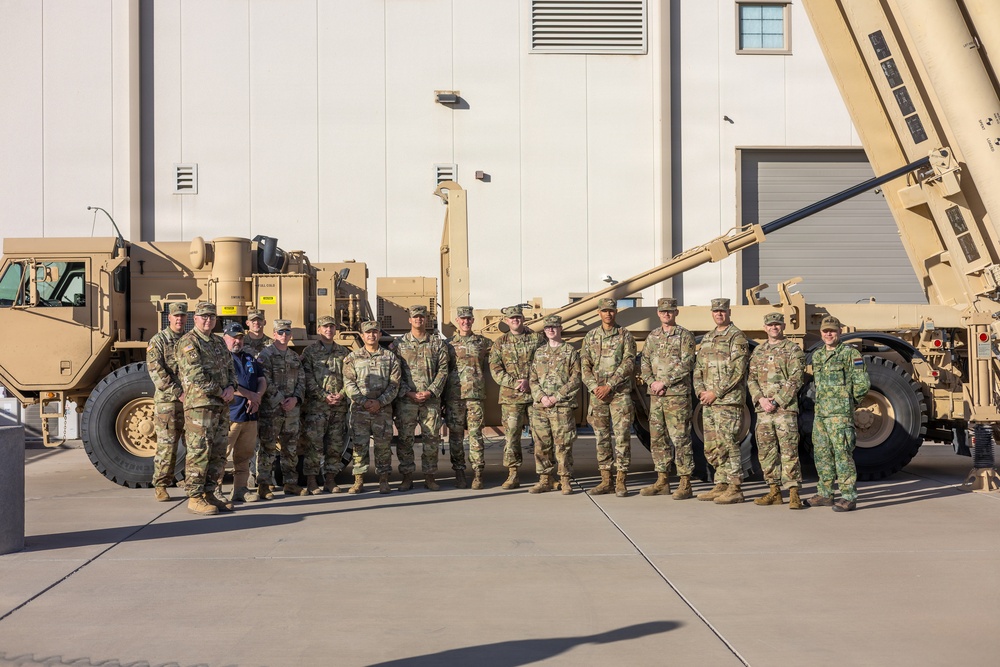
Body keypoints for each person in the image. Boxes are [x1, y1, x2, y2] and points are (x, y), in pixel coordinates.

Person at [175, 302, 237, 515]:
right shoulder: (188, 342)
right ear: (195, 318)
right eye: (204, 316)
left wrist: (231, 388)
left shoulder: (219, 343)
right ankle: (194, 497)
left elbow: (231, 370)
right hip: (200, 406)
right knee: (199, 450)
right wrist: (221, 391)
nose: (208, 320)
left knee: (219, 451)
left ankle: (210, 492)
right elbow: (195, 375)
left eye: (211, 316)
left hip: (221, 406)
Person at [809, 315, 870, 512]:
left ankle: (848, 496)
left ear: (839, 332)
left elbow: (862, 384)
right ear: (821, 333)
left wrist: (847, 403)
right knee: (822, 454)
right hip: (821, 414)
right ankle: (825, 493)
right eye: (825, 331)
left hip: (840, 415)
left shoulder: (850, 355)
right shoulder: (818, 355)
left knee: (843, 455)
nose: (829, 334)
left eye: (832, 331)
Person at [693, 298, 750, 505]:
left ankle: (735, 487)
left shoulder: (737, 337)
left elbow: (738, 370)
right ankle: (721, 483)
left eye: (723, 311)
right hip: (708, 402)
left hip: (728, 401)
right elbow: (698, 368)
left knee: (729, 442)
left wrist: (715, 392)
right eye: (716, 311)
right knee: (712, 445)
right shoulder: (708, 338)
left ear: (728, 312)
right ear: (712, 313)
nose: (719, 314)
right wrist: (700, 390)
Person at [639, 297, 696, 499]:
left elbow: (687, 363)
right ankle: (662, 480)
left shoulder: (684, 336)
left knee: (680, 439)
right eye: (663, 311)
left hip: (676, 396)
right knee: (658, 438)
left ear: (676, 313)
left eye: (670, 311)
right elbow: (644, 362)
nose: (666, 314)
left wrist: (665, 382)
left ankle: (685, 483)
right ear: (658, 313)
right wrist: (652, 382)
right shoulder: (653, 336)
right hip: (656, 397)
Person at [747, 312, 806, 509]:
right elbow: (751, 379)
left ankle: (793, 492)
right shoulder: (758, 352)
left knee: (789, 451)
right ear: (765, 328)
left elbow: (796, 377)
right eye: (770, 325)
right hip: (764, 411)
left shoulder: (792, 350)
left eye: (777, 324)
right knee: (767, 452)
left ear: (783, 327)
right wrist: (761, 400)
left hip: (785, 410)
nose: (774, 328)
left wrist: (778, 400)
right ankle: (774, 490)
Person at [581, 297, 637, 498]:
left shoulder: (625, 336)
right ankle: (606, 480)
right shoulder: (591, 337)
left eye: (611, 310)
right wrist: (596, 387)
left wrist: (610, 385)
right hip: (598, 395)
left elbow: (629, 362)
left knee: (622, 437)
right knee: (602, 438)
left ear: (615, 312)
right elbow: (584, 366)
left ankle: (621, 480)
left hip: (619, 394)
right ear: (599, 312)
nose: (608, 314)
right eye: (604, 311)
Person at [390, 304, 449, 491]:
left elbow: (443, 371)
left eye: (422, 317)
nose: (418, 320)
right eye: (415, 317)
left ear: (426, 320)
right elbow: (394, 372)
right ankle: (407, 477)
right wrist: (409, 392)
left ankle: (429, 477)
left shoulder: (437, 344)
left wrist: (430, 391)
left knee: (431, 439)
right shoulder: (398, 345)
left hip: (430, 400)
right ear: (409, 320)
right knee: (405, 440)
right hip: (406, 400)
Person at [488, 305, 544, 490]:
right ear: (506, 321)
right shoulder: (500, 342)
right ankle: (513, 474)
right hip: (511, 397)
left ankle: (545, 475)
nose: (515, 320)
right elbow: (495, 369)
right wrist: (516, 383)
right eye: (512, 318)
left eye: (518, 317)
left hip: (535, 395)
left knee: (542, 436)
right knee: (512, 437)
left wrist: (530, 382)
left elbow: (545, 363)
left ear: (523, 318)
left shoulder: (536, 339)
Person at [343, 320, 401, 494]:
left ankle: (383, 480)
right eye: (368, 332)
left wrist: (380, 402)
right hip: (360, 411)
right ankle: (359, 480)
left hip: (382, 411)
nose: (371, 335)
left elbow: (395, 384)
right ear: (362, 336)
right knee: (360, 446)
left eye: (375, 332)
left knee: (383, 447)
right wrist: (364, 401)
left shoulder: (390, 357)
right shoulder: (353, 357)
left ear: (380, 334)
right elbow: (348, 383)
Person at [527, 315, 581, 495]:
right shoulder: (540, 352)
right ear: (544, 331)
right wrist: (542, 397)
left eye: (554, 327)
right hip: (541, 407)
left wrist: (556, 397)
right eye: (548, 327)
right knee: (541, 444)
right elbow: (532, 379)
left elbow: (575, 379)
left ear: (560, 329)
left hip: (561, 406)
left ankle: (565, 479)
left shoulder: (570, 351)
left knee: (563, 444)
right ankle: (545, 479)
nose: (551, 330)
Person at [300, 315, 351, 494]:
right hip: (317, 406)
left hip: (338, 406)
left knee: (335, 444)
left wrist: (342, 394)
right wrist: (323, 396)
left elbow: (350, 378)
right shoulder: (310, 352)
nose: (328, 330)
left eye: (331, 326)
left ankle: (330, 479)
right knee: (314, 444)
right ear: (319, 330)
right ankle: (312, 481)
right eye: (325, 327)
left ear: (335, 329)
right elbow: (307, 377)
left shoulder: (344, 352)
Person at [256, 319, 306, 498]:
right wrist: (280, 400)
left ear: (290, 335)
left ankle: (290, 483)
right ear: (274, 334)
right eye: (280, 332)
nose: (284, 335)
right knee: (268, 447)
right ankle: (264, 484)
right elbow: (263, 380)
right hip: (272, 409)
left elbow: (302, 381)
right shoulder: (266, 355)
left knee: (290, 448)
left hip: (291, 410)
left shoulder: (294, 357)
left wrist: (295, 399)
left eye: (287, 332)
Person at [444, 306, 493, 489]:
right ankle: (459, 472)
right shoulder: (448, 344)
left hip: (475, 396)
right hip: (454, 396)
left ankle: (478, 473)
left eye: (469, 319)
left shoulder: (483, 342)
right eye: (462, 319)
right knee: (455, 437)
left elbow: (503, 348)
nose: (465, 322)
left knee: (475, 435)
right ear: (457, 321)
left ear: (473, 320)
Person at [221, 321, 266, 503]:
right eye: (233, 337)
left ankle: (240, 489)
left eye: (240, 338)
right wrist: (250, 395)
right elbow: (226, 383)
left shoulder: (249, 358)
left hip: (250, 415)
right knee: (221, 455)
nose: (237, 341)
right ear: (225, 338)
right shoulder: (222, 359)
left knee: (244, 455)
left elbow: (262, 379)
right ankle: (215, 491)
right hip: (232, 414)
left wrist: (258, 397)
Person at [147, 302, 188, 502]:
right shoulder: (158, 341)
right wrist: (178, 393)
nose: (179, 319)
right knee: (167, 446)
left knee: (194, 444)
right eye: (176, 316)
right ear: (169, 318)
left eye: (182, 316)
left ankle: (192, 481)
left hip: (190, 402)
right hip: (168, 403)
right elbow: (156, 372)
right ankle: (161, 485)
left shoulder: (189, 340)